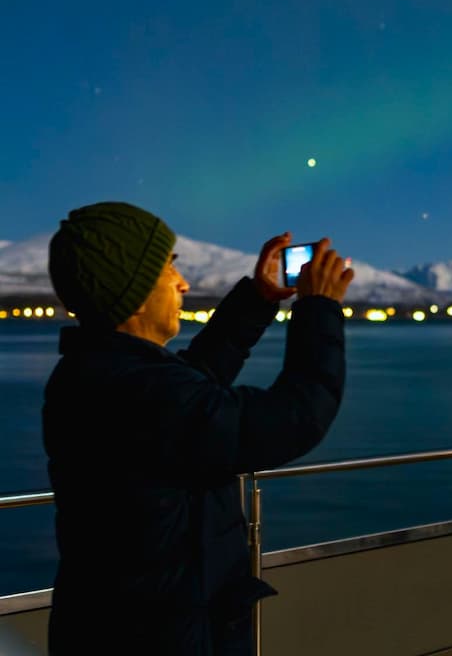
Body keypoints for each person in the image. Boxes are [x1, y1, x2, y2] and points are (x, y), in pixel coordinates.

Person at [42, 201, 355, 655]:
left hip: (118, 627)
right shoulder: (141, 391)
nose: (183, 282)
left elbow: (193, 383)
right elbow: (293, 419)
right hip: (168, 637)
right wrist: (319, 309)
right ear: (132, 287)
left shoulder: (100, 374)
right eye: (169, 267)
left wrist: (258, 299)